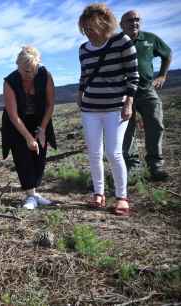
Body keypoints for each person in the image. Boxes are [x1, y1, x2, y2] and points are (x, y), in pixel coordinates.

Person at [77, 3, 139, 216]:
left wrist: (129, 103)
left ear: (103, 23)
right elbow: (84, 75)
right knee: (94, 154)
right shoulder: (83, 49)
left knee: (113, 153)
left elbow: (133, 76)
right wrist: (79, 95)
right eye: (84, 28)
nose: (87, 32)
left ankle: (122, 197)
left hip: (116, 108)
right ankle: (99, 193)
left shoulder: (122, 41)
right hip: (90, 108)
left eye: (90, 27)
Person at [1, 46, 57, 209]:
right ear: (17, 66)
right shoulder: (10, 81)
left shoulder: (45, 75)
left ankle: (34, 194)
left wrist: (42, 129)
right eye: (26, 71)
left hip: (40, 120)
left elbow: (50, 104)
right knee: (23, 155)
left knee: (40, 155)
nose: (30, 75)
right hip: (17, 124)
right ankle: (30, 196)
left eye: (33, 70)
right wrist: (28, 138)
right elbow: (12, 114)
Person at [120, 10, 172, 181]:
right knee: (127, 130)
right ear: (121, 25)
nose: (134, 23)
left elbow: (167, 54)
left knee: (156, 124)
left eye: (137, 20)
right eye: (129, 20)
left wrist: (162, 75)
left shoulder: (150, 39)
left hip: (146, 89)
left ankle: (155, 166)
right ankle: (132, 167)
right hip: (124, 93)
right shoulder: (117, 42)